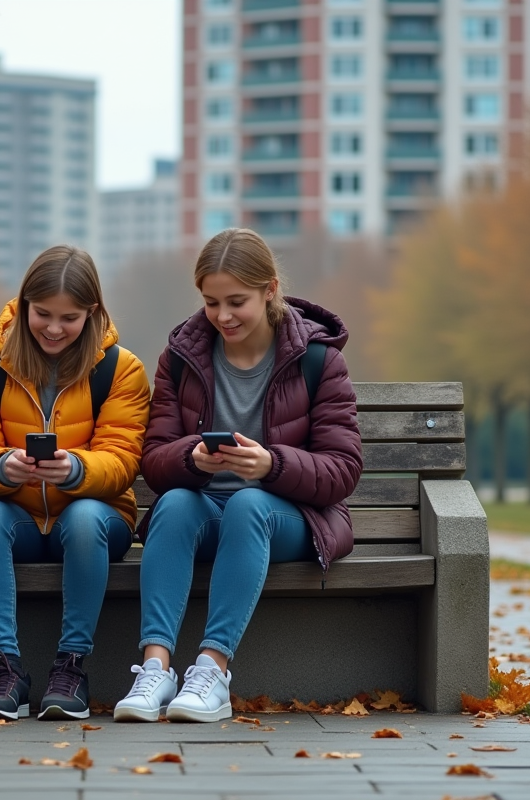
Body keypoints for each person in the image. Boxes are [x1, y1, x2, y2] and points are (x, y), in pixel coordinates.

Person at [113, 228, 363, 723]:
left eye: (236, 302)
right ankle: (155, 670)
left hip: (287, 519)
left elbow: (342, 470)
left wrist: (273, 464)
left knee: (249, 504)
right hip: (207, 516)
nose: (222, 316)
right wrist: (192, 459)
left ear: (270, 289)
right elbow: (156, 459)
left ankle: (212, 671)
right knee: (175, 503)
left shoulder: (319, 360)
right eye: (210, 302)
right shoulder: (182, 360)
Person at [0, 245, 150, 721]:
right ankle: (5, 668)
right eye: (42, 314)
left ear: (93, 313)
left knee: (83, 517)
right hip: (15, 515)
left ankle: (71, 666)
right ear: (22, 306)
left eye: (70, 317)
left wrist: (76, 470)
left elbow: (123, 458)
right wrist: (2, 467)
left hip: (96, 519)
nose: (55, 329)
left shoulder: (121, 368)